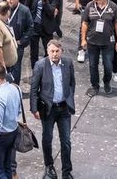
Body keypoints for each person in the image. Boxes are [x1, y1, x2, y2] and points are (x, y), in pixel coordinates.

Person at [30, 40, 76, 179]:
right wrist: (34, 108)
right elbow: (33, 89)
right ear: (47, 51)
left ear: (61, 51)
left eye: (57, 51)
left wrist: (69, 98)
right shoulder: (40, 65)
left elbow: (72, 83)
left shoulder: (67, 63)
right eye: (52, 51)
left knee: (66, 141)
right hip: (48, 109)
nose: (55, 54)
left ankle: (67, 172)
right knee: (47, 138)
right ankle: (49, 166)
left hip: (63, 108)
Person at [81, 0, 117, 95]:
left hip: (108, 42)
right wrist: (83, 40)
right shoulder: (90, 6)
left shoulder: (113, 7)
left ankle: (107, 82)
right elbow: (84, 24)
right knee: (92, 65)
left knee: (108, 65)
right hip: (92, 41)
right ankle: (95, 86)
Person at [0, 62, 21, 179]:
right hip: (13, 131)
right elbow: (19, 111)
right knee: (7, 166)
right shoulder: (15, 88)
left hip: (1, 137)